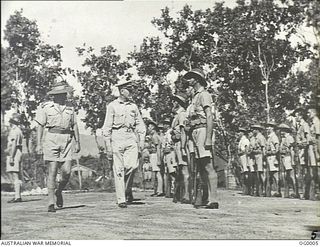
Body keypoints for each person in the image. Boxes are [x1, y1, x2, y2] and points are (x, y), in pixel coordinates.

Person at [35, 81, 81, 212]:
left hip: (67, 140)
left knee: (66, 171)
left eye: (64, 93)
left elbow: (75, 125)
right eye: (59, 94)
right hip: (51, 138)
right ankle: (51, 202)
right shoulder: (46, 107)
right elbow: (40, 126)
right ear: (53, 95)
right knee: (53, 170)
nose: (63, 96)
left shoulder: (70, 108)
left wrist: (78, 142)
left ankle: (59, 191)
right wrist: (38, 144)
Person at [103, 80, 146, 208]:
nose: (132, 92)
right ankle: (121, 198)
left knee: (132, 166)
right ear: (122, 91)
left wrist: (142, 141)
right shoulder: (112, 106)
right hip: (117, 136)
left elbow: (140, 124)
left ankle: (127, 189)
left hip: (130, 137)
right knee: (118, 169)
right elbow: (106, 127)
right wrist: (108, 146)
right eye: (129, 90)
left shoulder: (133, 106)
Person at [183, 68, 219, 209]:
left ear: (197, 79)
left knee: (207, 165)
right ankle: (206, 197)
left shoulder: (204, 95)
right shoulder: (195, 97)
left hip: (203, 130)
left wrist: (208, 138)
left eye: (191, 78)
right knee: (201, 166)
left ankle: (214, 199)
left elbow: (209, 116)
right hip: (195, 132)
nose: (189, 80)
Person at [171, 92, 190, 203]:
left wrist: (183, 147)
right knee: (181, 169)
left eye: (175, 101)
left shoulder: (182, 114)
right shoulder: (177, 115)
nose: (173, 103)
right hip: (177, 143)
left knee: (185, 170)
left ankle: (187, 194)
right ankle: (181, 193)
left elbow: (183, 131)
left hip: (181, 144)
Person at [6, 113, 24, 203]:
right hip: (16, 153)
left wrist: (12, 157)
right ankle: (17, 195)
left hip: (15, 153)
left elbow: (13, 145)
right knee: (15, 175)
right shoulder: (18, 130)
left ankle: (17, 196)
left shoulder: (15, 131)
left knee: (15, 175)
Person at [277, 123, 299, 198]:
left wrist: (293, 161)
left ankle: (295, 192)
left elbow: (292, 150)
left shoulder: (289, 138)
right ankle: (287, 193)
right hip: (284, 158)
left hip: (289, 158)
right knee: (287, 176)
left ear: (285, 131)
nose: (280, 132)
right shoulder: (283, 139)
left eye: (282, 130)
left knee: (292, 175)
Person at [295, 109, 312, 200]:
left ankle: (305, 193)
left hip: (304, 150)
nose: (296, 118)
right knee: (301, 172)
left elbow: (308, 138)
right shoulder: (299, 126)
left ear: (300, 116)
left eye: (297, 116)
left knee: (304, 172)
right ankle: (302, 193)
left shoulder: (305, 125)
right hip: (300, 150)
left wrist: (302, 144)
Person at [147, 120, 165, 197]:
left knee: (158, 174)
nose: (148, 128)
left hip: (155, 155)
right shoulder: (154, 136)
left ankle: (160, 191)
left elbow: (158, 148)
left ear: (153, 128)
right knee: (156, 173)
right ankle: (157, 190)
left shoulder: (155, 136)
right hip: (153, 155)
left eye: (149, 127)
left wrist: (158, 159)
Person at [265, 122, 281, 197]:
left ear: (272, 128)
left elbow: (277, 148)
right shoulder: (269, 137)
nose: (267, 128)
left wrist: (271, 153)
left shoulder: (274, 136)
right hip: (269, 158)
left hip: (273, 158)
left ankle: (278, 191)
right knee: (270, 175)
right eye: (267, 127)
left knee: (275, 175)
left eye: (268, 127)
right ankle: (270, 191)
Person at [307, 105, 320, 200]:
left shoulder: (317, 123)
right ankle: (315, 192)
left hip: (316, 148)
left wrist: (318, 152)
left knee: (317, 171)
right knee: (313, 171)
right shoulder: (312, 123)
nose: (308, 114)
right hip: (311, 148)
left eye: (309, 112)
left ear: (314, 113)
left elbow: (318, 138)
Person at [162, 118, 177, 198]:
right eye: (164, 123)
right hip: (166, 154)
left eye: (167, 123)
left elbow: (173, 143)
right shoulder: (165, 133)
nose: (165, 125)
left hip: (171, 153)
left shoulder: (170, 132)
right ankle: (169, 191)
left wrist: (170, 148)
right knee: (167, 172)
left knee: (172, 172)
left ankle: (174, 191)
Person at [251, 124, 267, 196]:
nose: (253, 130)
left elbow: (263, 148)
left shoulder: (261, 137)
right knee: (256, 173)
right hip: (255, 156)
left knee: (260, 173)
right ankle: (257, 190)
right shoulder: (254, 138)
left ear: (257, 130)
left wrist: (264, 158)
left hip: (260, 156)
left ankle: (262, 190)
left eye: (254, 129)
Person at [237, 127, 251, 195]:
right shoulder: (240, 140)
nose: (238, 133)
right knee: (242, 173)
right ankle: (244, 189)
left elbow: (246, 150)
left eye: (239, 132)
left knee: (246, 173)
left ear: (243, 133)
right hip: (241, 158)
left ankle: (247, 190)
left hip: (245, 157)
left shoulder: (245, 140)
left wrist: (241, 152)